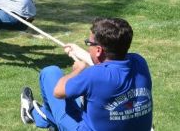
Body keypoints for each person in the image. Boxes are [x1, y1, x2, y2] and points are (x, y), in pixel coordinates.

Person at [20, 18, 153, 131]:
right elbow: (110, 64)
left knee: (50, 72)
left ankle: (32, 112)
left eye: (89, 43)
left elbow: (58, 92)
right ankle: (40, 117)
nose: (88, 45)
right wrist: (81, 53)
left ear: (99, 50)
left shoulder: (93, 75)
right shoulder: (139, 62)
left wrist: (77, 70)